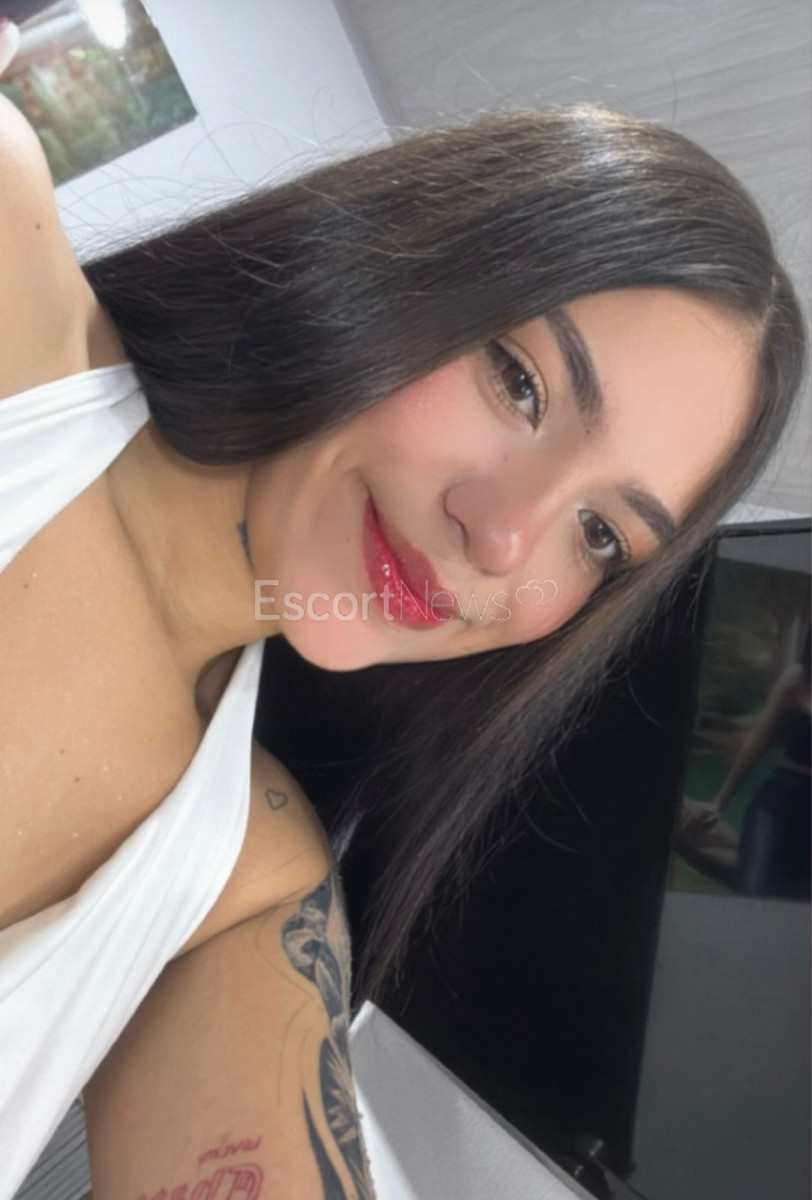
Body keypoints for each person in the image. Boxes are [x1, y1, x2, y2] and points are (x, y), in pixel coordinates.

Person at [0, 68, 806, 1198]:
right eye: (519, 383)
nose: (502, 538)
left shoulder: (247, 887)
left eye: (599, 535)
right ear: (408, 259)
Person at [677, 625, 811, 898]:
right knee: (757, 889)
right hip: (781, 803)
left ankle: (694, 831)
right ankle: (687, 829)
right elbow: (754, 746)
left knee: (787, 892)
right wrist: (718, 802)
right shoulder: (796, 679)